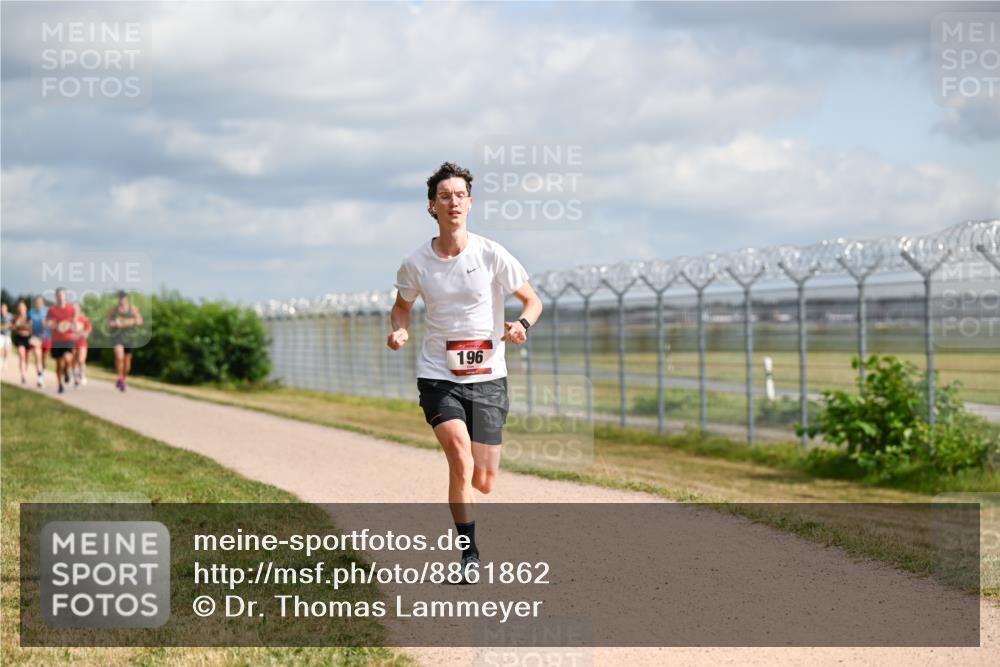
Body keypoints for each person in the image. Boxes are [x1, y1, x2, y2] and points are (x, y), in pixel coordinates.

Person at [388, 162, 542, 580]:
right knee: (459, 456)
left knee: (485, 479)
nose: (452, 202)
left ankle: (473, 503)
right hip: (438, 374)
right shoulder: (416, 262)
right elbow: (401, 307)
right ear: (432, 206)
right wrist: (399, 332)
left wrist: (521, 324)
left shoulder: (491, 253)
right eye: (444, 196)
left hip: (489, 377)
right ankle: (469, 553)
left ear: (469, 203)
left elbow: (533, 301)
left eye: (459, 195)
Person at [45, 288, 79, 395]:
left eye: (62, 295)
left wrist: (73, 326)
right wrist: (52, 325)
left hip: (68, 338)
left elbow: (75, 323)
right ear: (56, 297)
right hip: (56, 339)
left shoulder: (71, 308)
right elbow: (47, 323)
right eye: (58, 295)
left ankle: (67, 371)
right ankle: (60, 385)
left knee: (68, 358)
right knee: (59, 363)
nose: (60, 297)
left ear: (65, 296)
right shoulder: (52, 310)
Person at [107, 290, 143, 392]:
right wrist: (114, 323)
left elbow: (140, 321)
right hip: (117, 337)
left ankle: (123, 379)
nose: (121, 299)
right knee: (119, 357)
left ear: (127, 298)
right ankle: (119, 378)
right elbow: (108, 322)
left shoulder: (133, 309)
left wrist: (131, 321)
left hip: (129, 338)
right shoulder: (113, 310)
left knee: (127, 365)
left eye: (123, 297)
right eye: (120, 297)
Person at [27, 296, 49, 387]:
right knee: (37, 356)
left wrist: (46, 324)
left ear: (43, 303)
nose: (38, 304)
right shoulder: (31, 312)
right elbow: (28, 324)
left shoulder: (47, 311)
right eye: (36, 302)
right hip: (35, 337)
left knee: (44, 359)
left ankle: (42, 374)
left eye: (40, 302)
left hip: (46, 337)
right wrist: (29, 326)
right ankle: (40, 378)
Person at [11, 302, 33, 384]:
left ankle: (25, 371)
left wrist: (23, 325)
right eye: (19, 309)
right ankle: (23, 375)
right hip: (19, 338)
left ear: (25, 309)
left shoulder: (29, 317)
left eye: (22, 308)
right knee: (22, 356)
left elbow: (31, 328)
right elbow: (12, 327)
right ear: (18, 310)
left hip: (28, 338)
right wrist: (16, 325)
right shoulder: (15, 318)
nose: (21, 310)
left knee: (27, 358)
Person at [72, 310, 93, 386]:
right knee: (74, 362)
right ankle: (75, 378)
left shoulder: (83, 319)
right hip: (71, 343)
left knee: (81, 360)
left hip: (82, 343)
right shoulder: (68, 319)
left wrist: (85, 333)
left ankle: (82, 375)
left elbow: (88, 329)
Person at [0, 302, 11, 373]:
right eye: (1, 308)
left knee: (7, 349)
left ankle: (5, 361)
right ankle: (0, 361)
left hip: (7, 335)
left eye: (4, 308)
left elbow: (12, 324)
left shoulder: (10, 316)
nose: (2, 310)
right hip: (1, 335)